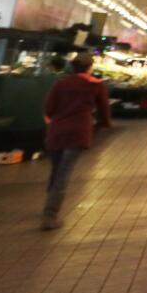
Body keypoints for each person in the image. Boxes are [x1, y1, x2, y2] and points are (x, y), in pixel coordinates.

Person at [41, 51, 112, 230]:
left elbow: (49, 108)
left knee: (56, 169)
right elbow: (104, 109)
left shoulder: (61, 83)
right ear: (89, 67)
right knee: (64, 173)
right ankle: (50, 215)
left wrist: (53, 118)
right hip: (78, 132)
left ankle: (48, 206)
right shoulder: (96, 85)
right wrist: (105, 124)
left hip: (56, 131)